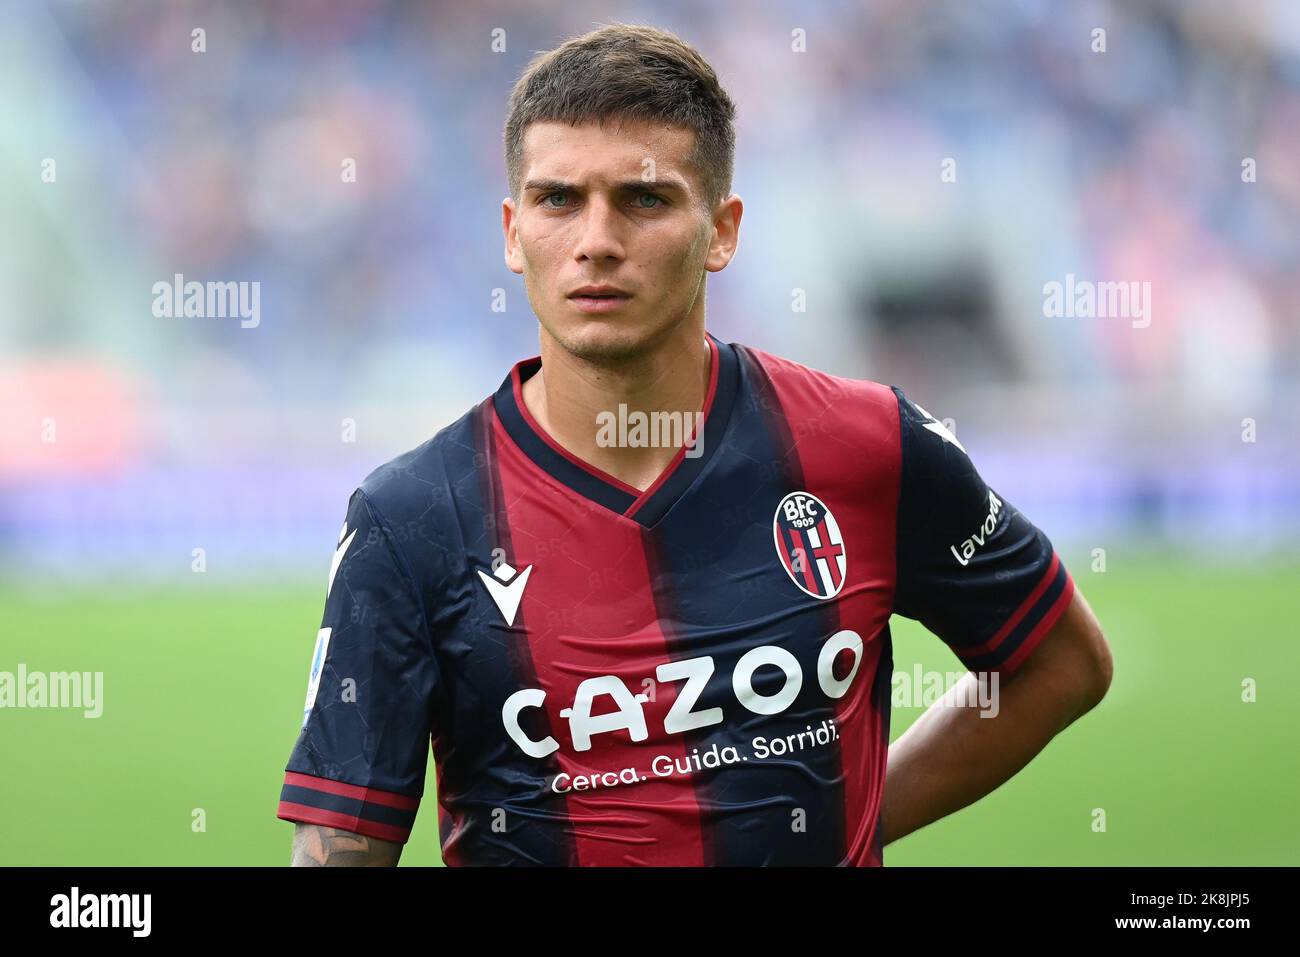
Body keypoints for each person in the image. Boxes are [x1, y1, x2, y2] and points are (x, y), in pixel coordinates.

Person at [278, 22, 1112, 866]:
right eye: (558, 199)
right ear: (511, 231)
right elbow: (341, 848)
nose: (596, 239)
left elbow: (1059, 663)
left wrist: (846, 826)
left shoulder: (868, 445)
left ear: (721, 229)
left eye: (644, 199)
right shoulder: (413, 518)